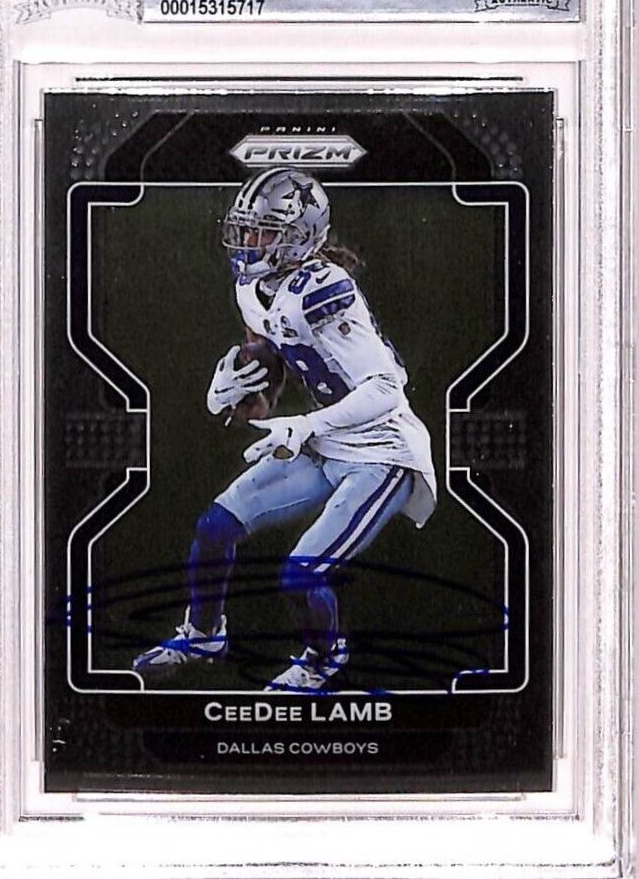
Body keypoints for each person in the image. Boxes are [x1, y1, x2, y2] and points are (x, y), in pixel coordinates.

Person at [133, 167, 437, 692]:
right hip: (324, 440)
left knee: (302, 575)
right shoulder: (253, 288)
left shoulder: (325, 288)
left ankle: (323, 659)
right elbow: (273, 360)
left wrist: (306, 424)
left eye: (264, 232)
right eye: (246, 229)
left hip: (382, 450)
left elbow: (387, 386)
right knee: (215, 528)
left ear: (300, 237)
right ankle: (203, 635)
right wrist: (231, 387)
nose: (249, 242)